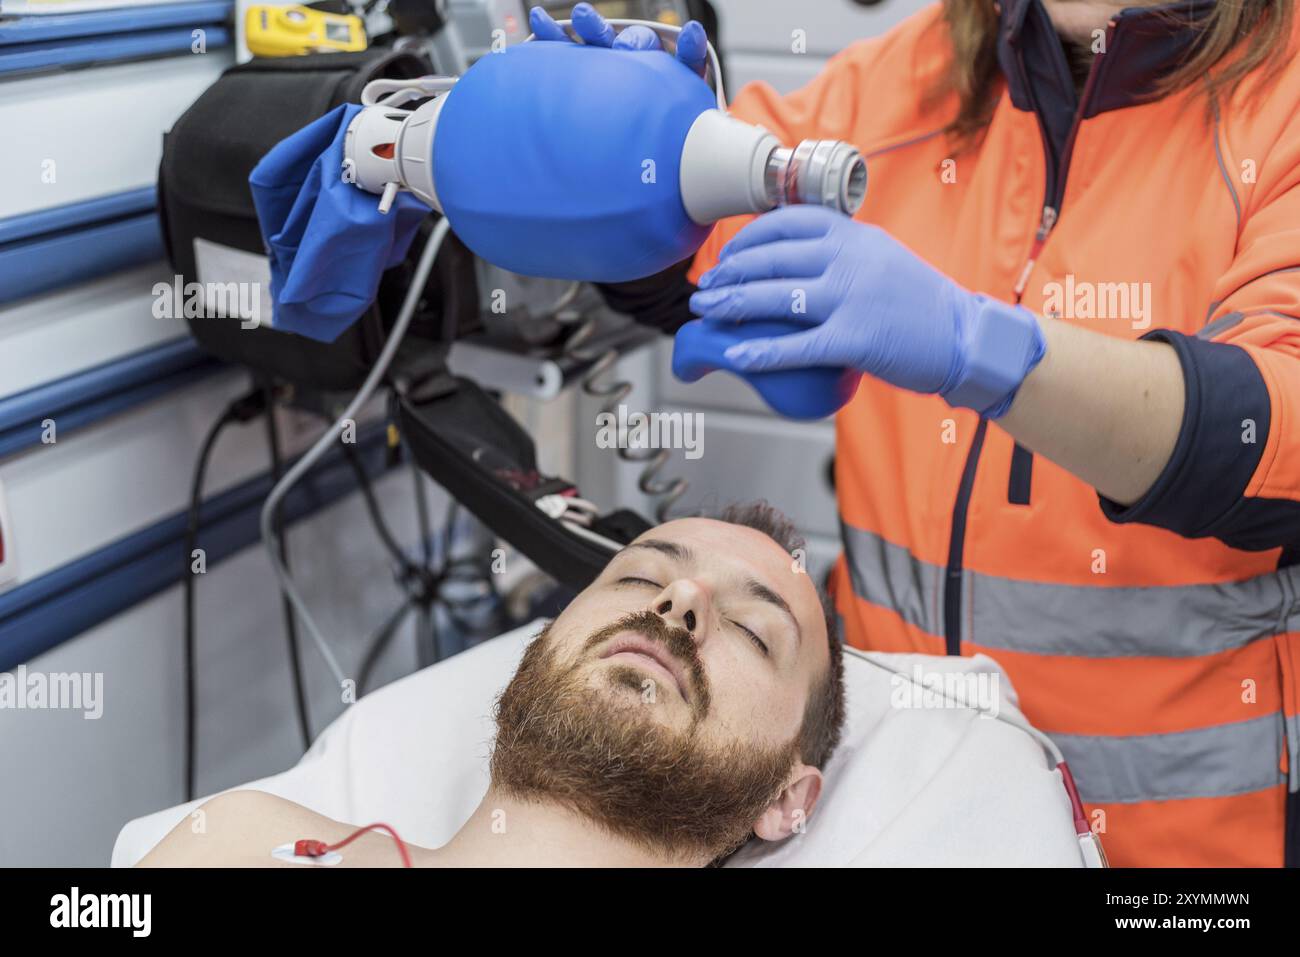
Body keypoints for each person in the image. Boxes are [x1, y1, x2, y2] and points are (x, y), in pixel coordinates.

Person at [533, 1, 1300, 866]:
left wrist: (977, 348)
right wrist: (607, 140)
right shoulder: (922, 73)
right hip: (896, 805)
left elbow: (1270, 430)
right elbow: (692, 238)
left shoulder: (1281, 103)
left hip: (1184, 848)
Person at [138, 503, 846, 867]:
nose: (681, 598)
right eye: (638, 577)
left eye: (754, 631)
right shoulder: (244, 837)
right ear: (537, 650)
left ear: (788, 799)